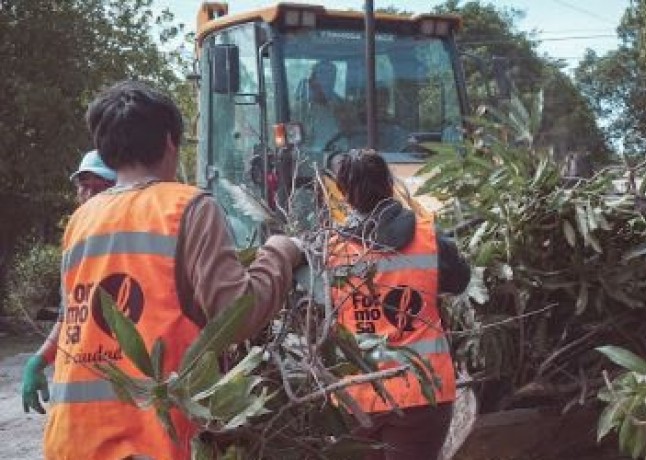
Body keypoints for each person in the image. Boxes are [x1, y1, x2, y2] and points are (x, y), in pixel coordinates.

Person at [29, 80, 301, 460]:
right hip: (153, 441)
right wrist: (280, 253)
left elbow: (76, 318)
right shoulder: (187, 207)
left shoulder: (81, 220)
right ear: (170, 141)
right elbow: (234, 316)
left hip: (72, 440)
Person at [327, 149, 470, 460]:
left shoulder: (329, 252)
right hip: (421, 393)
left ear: (343, 192)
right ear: (389, 184)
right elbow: (459, 281)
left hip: (357, 400)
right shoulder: (430, 239)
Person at [21, 150, 118, 415]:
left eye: (99, 188)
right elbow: (70, 317)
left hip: (131, 397)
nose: (89, 196)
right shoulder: (75, 242)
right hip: (82, 406)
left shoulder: (138, 242)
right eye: (83, 187)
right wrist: (39, 360)